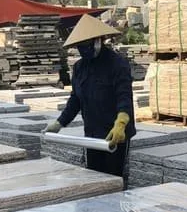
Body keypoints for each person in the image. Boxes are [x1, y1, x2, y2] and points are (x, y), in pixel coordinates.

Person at [45, 15, 135, 181]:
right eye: (80, 47)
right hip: (92, 133)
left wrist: (121, 122)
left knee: (113, 179)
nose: (84, 50)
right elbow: (75, 100)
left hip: (114, 134)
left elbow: (124, 97)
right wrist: (60, 122)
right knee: (94, 177)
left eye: (87, 45)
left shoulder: (117, 64)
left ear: (98, 40)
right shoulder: (80, 67)